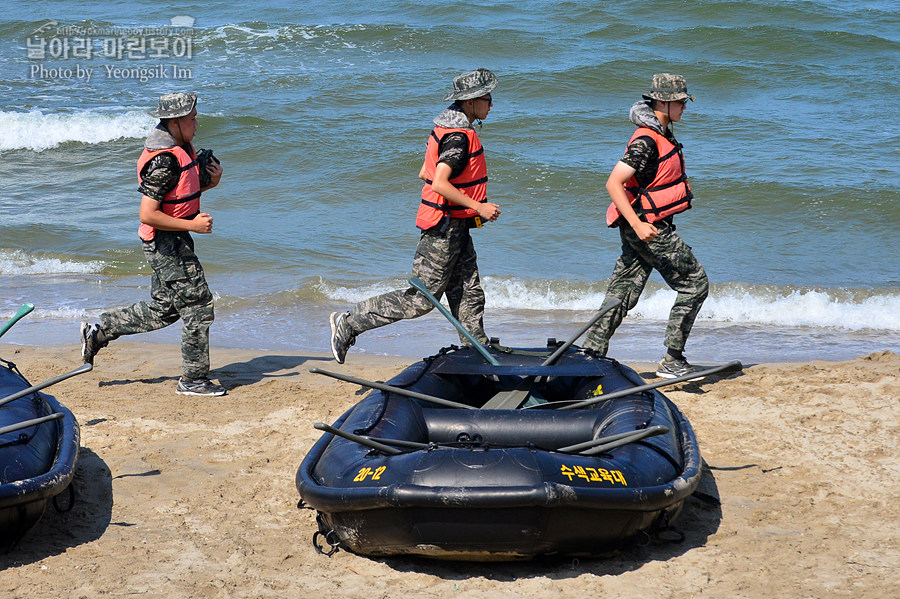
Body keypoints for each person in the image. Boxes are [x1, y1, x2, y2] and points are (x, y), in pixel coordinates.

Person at [329, 68, 502, 364]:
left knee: (468, 291)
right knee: (422, 299)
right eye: (488, 98)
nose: (492, 104)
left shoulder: (446, 127)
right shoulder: (458, 137)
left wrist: (465, 210)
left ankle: (478, 351)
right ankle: (349, 322)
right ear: (470, 101)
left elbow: (425, 172)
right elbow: (439, 182)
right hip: (442, 230)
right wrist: (478, 207)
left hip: (456, 226)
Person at [80, 92, 227, 396]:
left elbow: (178, 194)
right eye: (192, 119)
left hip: (172, 239)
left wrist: (210, 182)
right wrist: (193, 225)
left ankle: (100, 332)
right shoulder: (163, 161)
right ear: (175, 122)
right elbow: (148, 214)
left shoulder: (178, 147)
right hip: (165, 242)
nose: (197, 124)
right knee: (199, 305)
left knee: (165, 310)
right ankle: (193, 380)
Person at [583, 73, 709, 379]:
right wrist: (638, 225)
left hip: (644, 224)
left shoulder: (661, 134)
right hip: (648, 226)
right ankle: (673, 360)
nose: (684, 107)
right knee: (695, 284)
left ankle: (589, 355)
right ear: (663, 103)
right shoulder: (646, 141)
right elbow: (614, 183)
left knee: (623, 292)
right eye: (680, 102)